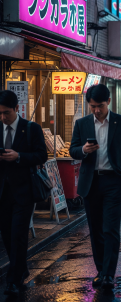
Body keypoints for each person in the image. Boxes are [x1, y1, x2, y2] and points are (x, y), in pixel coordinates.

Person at [70, 84, 121, 290]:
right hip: (91, 182)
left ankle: (108, 274)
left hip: (113, 181)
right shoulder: (82, 124)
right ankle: (100, 270)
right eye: (92, 106)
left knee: (110, 229)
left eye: (100, 105)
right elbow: (73, 150)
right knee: (95, 229)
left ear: (108, 101)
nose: (96, 110)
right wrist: (84, 149)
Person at [0, 90, 48, 296]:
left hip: (24, 191)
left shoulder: (31, 128)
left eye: (7, 113)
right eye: (0, 113)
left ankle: (13, 278)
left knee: (18, 233)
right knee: (6, 234)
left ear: (17, 109)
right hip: (2, 192)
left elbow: (41, 155)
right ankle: (20, 269)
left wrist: (19, 156)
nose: (3, 117)